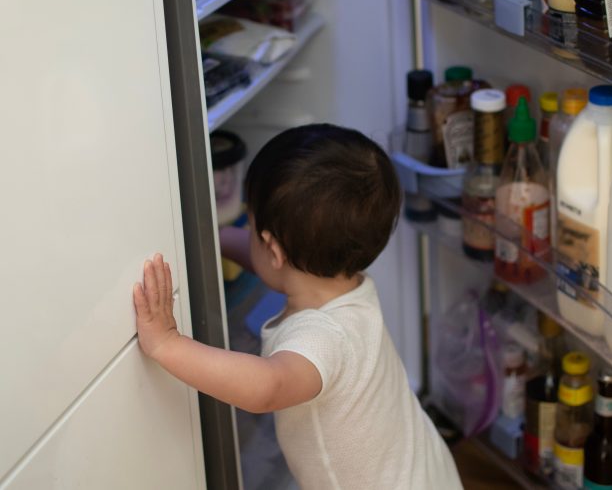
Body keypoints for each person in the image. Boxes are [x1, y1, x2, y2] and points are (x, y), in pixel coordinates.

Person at [133, 124, 463, 490]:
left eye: (251, 224)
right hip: (425, 472)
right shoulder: (350, 286)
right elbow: (273, 262)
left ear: (273, 249)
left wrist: (167, 343)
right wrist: (217, 238)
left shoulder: (320, 339)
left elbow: (267, 387)